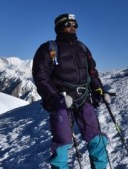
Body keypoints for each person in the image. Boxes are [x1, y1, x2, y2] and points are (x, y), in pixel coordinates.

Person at [32, 13, 111, 169]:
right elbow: (40, 76)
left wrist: (100, 90)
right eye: (68, 25)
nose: (72, 28)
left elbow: (92, 73)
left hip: (83, 99)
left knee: (97, 139)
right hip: (61, 102)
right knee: (62, 144)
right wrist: (55, 98)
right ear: (59, 27)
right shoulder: (49, 48)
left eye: (75, 25)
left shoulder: (82, 48)